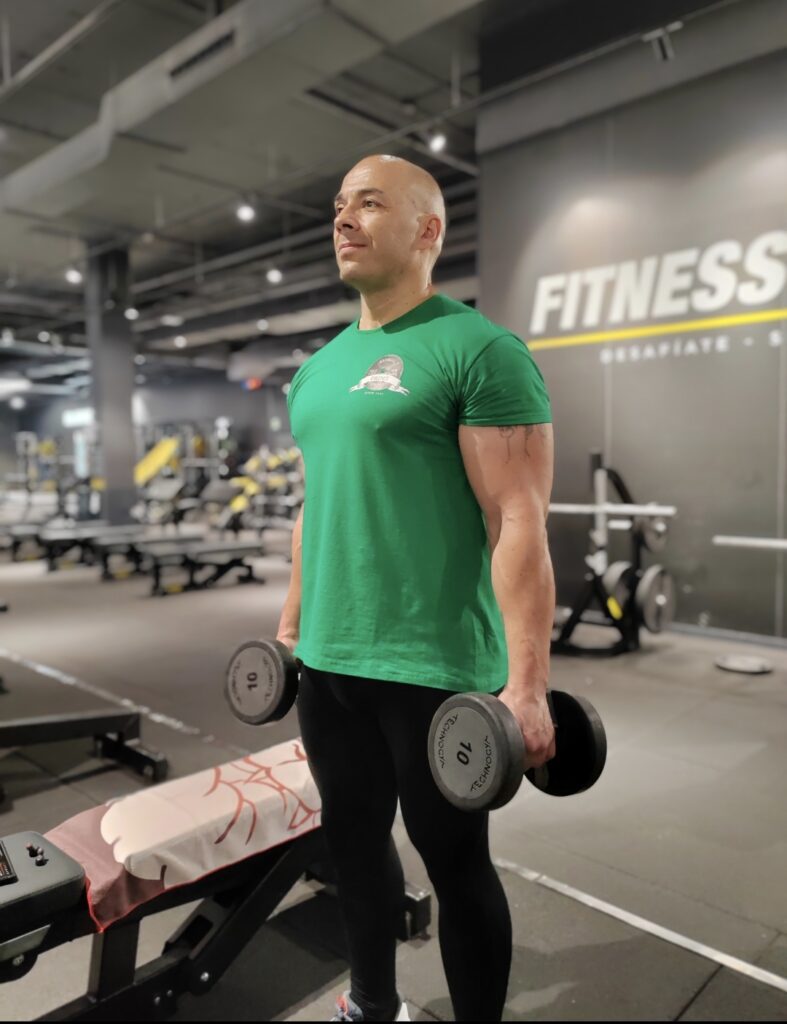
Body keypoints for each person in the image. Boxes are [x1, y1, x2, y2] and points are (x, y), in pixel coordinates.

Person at [277, 154, 556, 1022]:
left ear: (427, 229)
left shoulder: (480, 349)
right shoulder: (317, 369)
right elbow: (316, 505)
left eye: (369, 203)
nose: (343, 219)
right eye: (338, 205)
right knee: (351, 845)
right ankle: (372, 1004)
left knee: (454, 861)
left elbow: (517, 518)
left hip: (432, 667)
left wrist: (527, 686)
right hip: (329, 663)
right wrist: (289, 627)